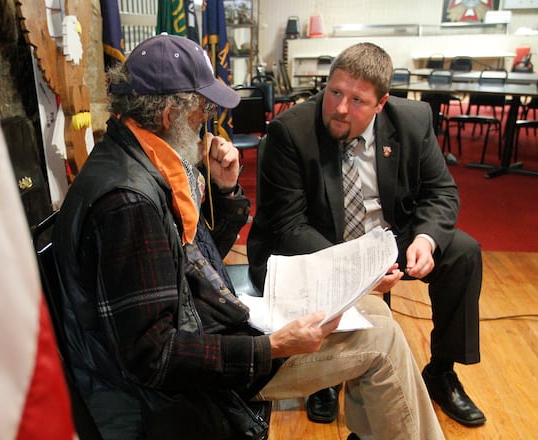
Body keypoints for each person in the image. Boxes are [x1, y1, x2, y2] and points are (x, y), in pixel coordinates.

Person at [52, 34, 444, 440]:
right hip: (172, 390)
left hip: (206, 334)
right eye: (202, 108)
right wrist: (271, 347)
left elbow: (191, 266)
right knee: (381, 340)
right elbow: (152, 357)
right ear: (170, 114)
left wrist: (224, 191)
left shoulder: (136, 157)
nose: (206, 120)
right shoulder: (129, 202)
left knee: (373, 311)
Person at [247, 42, 485, 428]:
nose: (340, 107)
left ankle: (441, 371)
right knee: (316, 267)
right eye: (335, 92)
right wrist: (358, 272)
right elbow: (289, 228)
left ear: (381, 102)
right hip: (319, 243)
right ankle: (325, 379)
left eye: (357, 100)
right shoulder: (290, 131)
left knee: (462, 251)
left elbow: (441, 191)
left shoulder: (412, 120)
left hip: (387, 238)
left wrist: (425, 239)